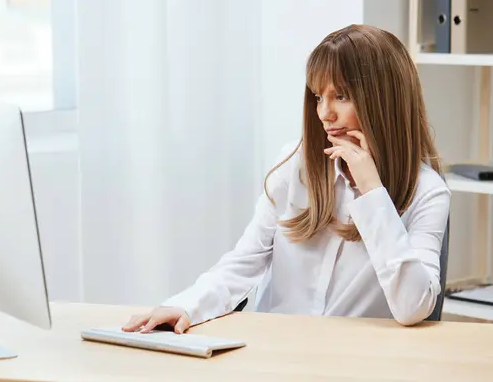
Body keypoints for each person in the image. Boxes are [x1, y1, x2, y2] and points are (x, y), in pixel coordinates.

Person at [122, 24, 451, 334]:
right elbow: (244, 262)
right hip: (274, 352)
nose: (324, 113)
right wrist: (185, 307)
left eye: (341, 96)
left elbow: (413, 307)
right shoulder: (296, 166)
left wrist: (371, 190)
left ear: (383, 101)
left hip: (357, 364)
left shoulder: (428, 192)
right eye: (319, 97)